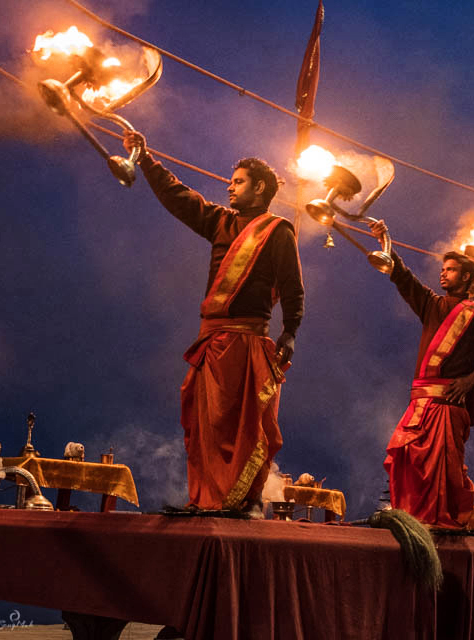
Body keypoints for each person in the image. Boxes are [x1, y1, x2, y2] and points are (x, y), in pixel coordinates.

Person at [123, 131, 304, 517]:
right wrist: (146, 158)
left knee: (243, 426)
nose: (230, 186)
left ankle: (245, 501)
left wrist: (290, 331)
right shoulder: (220, 222)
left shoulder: (278, 231)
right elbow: (179, 197)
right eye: (231, 180)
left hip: (247, 341)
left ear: (259, 187)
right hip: (211, 341)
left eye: (237, 181)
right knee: (206, 424)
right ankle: (207, 498)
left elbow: (293, 287)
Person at [368, 219, 474, 528]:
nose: (443, 272)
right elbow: (404, 279)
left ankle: (437, 532)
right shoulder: (431, 304)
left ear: (467, 276)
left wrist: (470, 380)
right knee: (407, 461)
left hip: (447, 407)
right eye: (444, 268)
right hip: (420, 405)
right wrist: (385, 241)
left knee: (441, 475)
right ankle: (411, 523)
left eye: (451, 269)